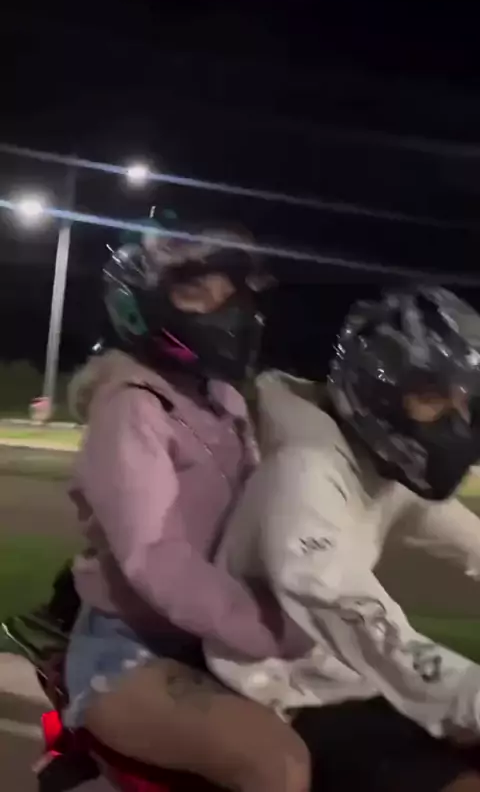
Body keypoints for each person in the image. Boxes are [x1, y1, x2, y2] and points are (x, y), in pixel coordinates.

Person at [62, 228, 310, 792]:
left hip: (208, 640)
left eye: (232, 294)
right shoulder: (133, 408)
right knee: (277, 765)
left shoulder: (223, 400)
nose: (229, 311)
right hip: (128, 649)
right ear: (140, 305)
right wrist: (267, 627)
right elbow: (156, 556)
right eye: (199, 292)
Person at [207, 286, 480, 792]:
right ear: (379, 391)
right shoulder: (306, 470)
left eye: (462, 404)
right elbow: (349, 609)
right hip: (280, 687)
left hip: (342, 673)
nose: (456, 423)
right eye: (433, 399)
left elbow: (467, 537)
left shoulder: (377, 464)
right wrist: (470, 693)